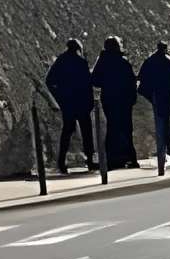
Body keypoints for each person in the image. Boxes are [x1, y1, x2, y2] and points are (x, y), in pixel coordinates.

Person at [45, 38, 97, 174]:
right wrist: (90, 102)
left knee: (67, 131)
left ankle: (61, 162)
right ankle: (90, 160)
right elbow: (87, 84)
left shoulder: (60, 61)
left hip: (67, 101)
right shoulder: (81, 63)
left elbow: (49, 80)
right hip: (81, 101)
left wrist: (59, 95)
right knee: (86, 131)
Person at [92, 36, 140, 169]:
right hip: (124, 99)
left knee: (112, 127)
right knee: (126, 128)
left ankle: (112, 158)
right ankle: (130, 157)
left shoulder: (102, 62)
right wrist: (132, 97)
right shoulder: (123, 62)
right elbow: (131, 81)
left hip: (109, 98)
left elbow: (95, 80)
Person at [137, 40, 170, 165]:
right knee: (165, 123)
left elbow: (140, 77)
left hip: (154, 96)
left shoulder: (149, 61)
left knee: (162, 123)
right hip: (167, 96)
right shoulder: (169, 62)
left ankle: (167, 150)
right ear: (166, 49)